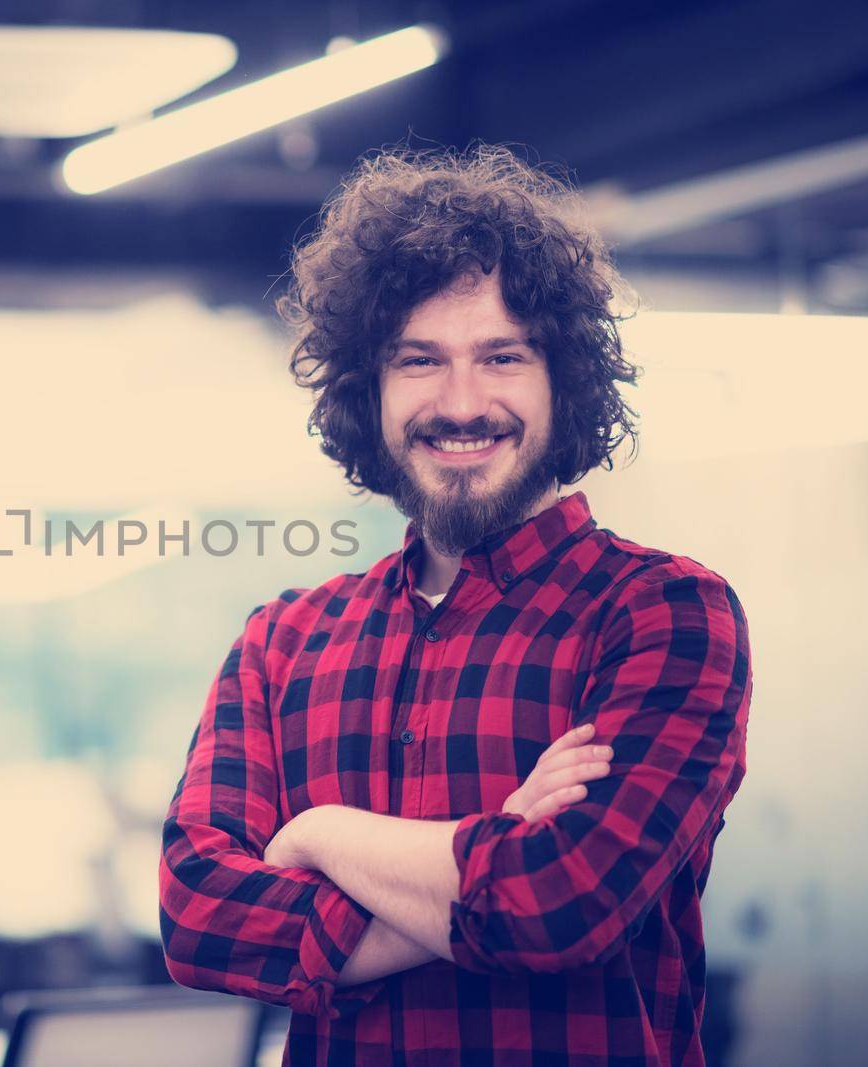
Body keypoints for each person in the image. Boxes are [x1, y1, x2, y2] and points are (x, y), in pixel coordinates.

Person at [159, 146, 752, 1066]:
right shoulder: (283, 643)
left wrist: (321, 835)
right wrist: (494, 855)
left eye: (502, 357)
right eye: (420, 360)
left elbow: (561, 906)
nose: (462, 402)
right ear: (371, 391)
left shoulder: (664, 614)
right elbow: (200, 917)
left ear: (566, 381)